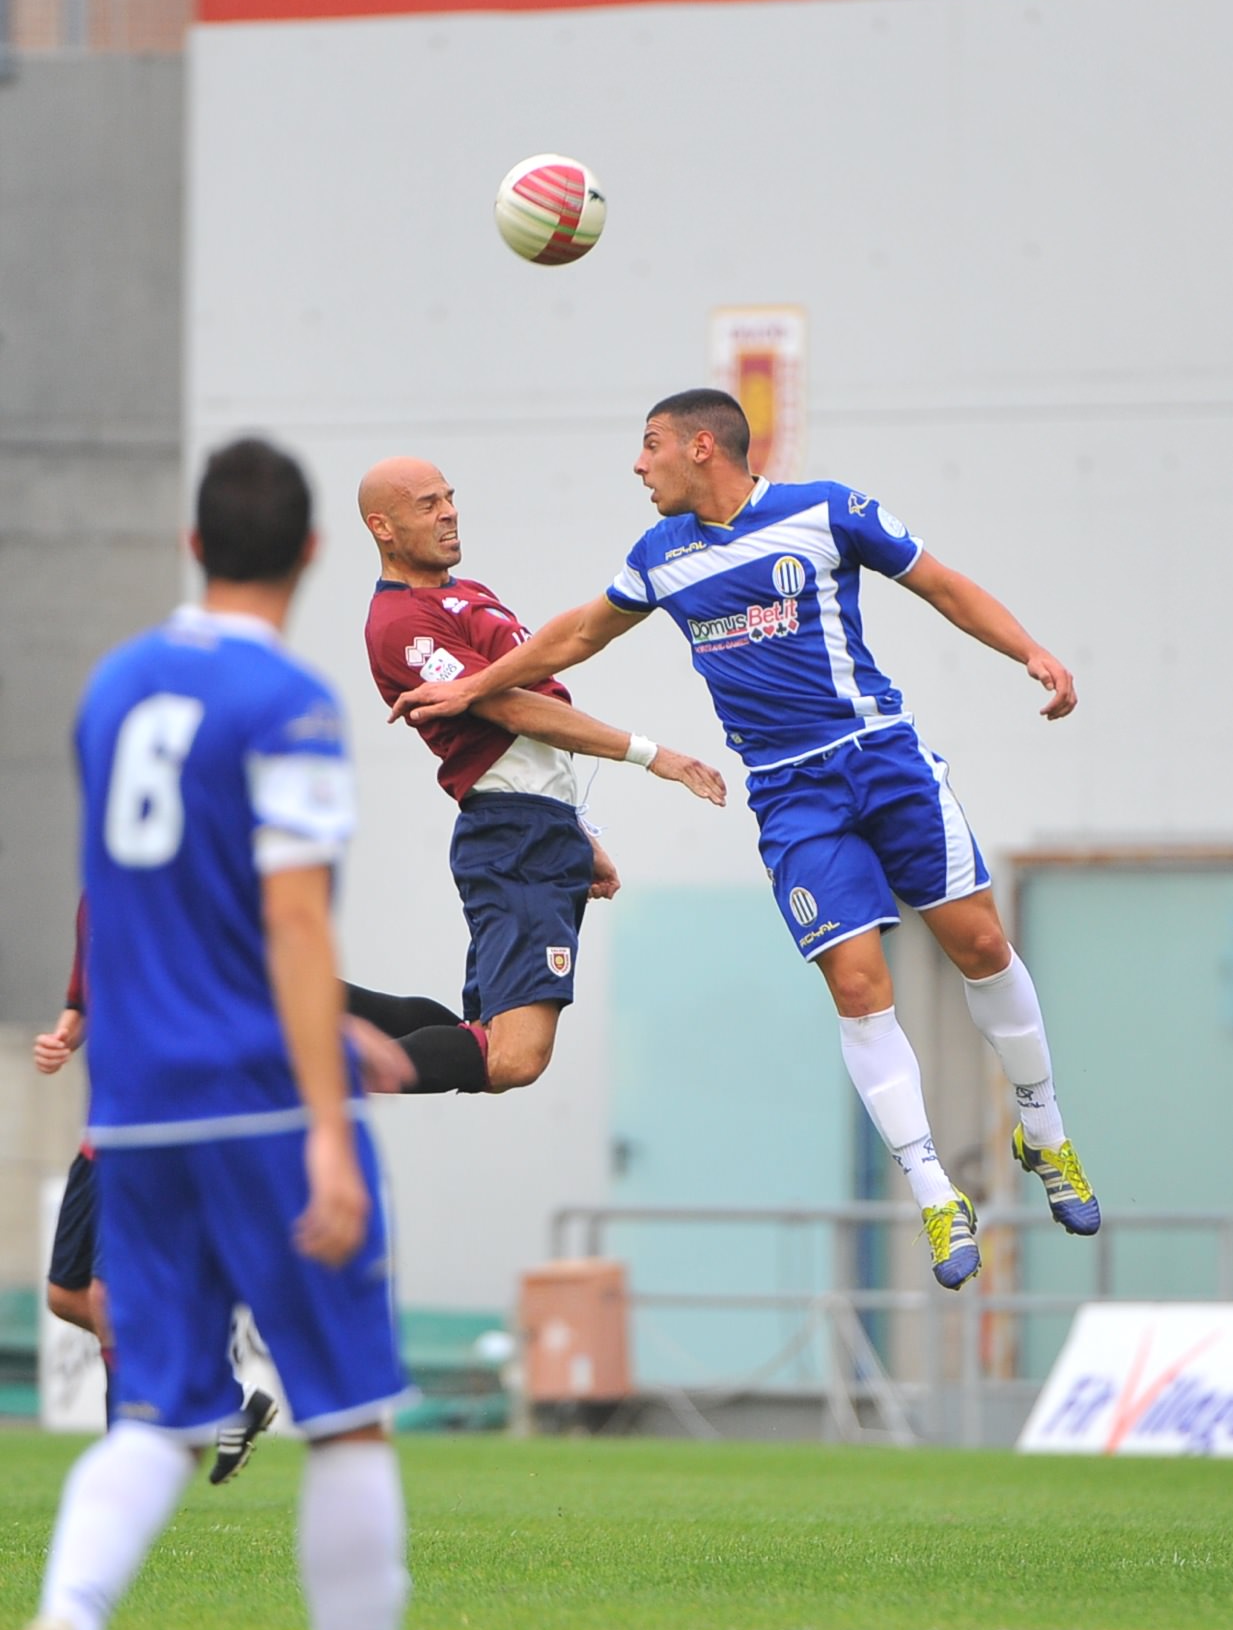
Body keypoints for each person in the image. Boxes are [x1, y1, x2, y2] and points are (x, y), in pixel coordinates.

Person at [392, 389, 1101, 1292]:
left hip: (882, 758)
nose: (637, 465)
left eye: (648, 446)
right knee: (855, 982)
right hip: (791, 793)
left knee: (980, 945)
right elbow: (576, 633)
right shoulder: (661, 555)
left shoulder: (824, 511)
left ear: (700, 447)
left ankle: (1043, 1131)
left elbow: (941, 583)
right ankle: (932, 1188)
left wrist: (1029, 651)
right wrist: (474, 686)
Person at [15, 437, 478, 1630]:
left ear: (192, 540)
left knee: (154, 1411)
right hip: (261, 1103)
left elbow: (159, 900)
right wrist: (328, 1114)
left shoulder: (111, 690)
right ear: (316, 554)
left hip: (138, 1109)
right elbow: (286, 908)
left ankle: (70, 1621)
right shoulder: (290, 701)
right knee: (348, 1414)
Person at [356, 455, 726, 1097]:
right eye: (426, 504)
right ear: (381, 527)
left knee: (487, 1041)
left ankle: (299, 1004)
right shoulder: (400, 623)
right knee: (516, 1058)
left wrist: (576, 832)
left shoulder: (467, 593)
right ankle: (297, 1071)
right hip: (512, 836)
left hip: (539, 829)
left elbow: (530, 727)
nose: (448, 512)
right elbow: (510, 707)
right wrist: (649, 753)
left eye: (449, 497)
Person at [33, 897, 279, 1476]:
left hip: (154, 1125)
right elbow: (82, 997)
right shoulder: (97, 898)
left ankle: (132, 1446)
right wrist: (64, 1036)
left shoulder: (182, 895)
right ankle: (223, 1402)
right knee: (66, 1297)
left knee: (105, 1295)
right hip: (102, 1129)